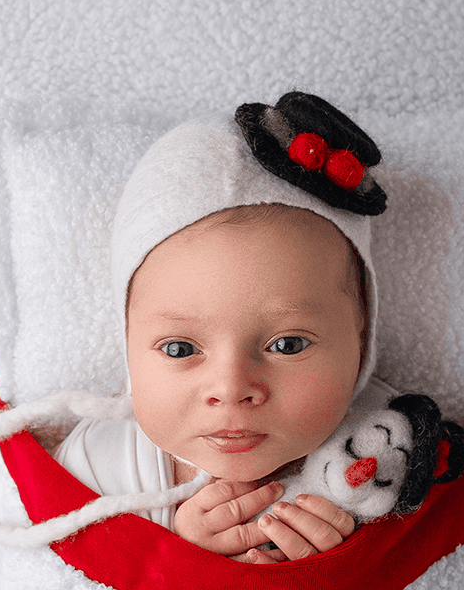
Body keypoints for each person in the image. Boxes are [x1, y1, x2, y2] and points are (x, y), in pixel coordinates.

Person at [54, 93, 398, 564]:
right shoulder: (98, 465)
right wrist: (176, 559)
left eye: (288, 344)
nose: (232, 389)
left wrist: (358, 558)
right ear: (129, 342)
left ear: (361, 335)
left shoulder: (386, 445)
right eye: (179, 349)